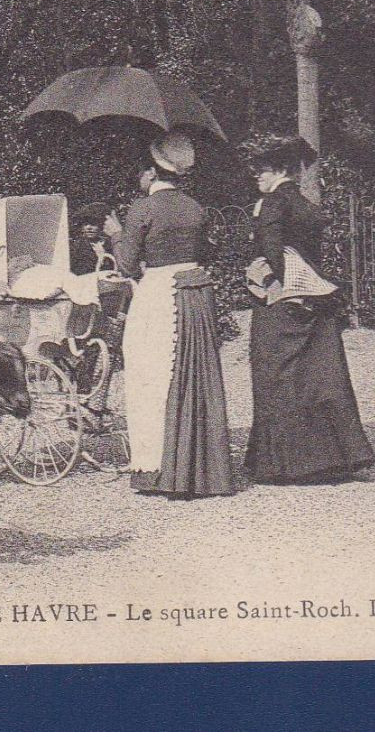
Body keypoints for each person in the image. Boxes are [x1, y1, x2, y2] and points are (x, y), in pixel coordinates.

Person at [241, 136, 375, 484]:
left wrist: (284, 285)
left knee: (275, 373)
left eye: (262, 171)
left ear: (280, 171)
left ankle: (284, 464)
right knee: (319, 375)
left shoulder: (271, 202)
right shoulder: (303, 203)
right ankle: (331, 457)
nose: (257, 177)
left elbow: (271, 246)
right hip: (316, 295)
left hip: (285, 299)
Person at [115, 131, 233, 498]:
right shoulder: (196, 209)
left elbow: (127, 265)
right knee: (194, 377)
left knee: (150, 379)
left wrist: (117, 234)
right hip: (195, 295)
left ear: (151, 173)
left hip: (159, 296)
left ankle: (157, 469)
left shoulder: (142, 210)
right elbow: (207, 253)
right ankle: (199, 467)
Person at [68, 202, 119, 276]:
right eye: (85, 224)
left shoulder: (109, 244)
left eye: (93, 224)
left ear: (100, 225)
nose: (89, 228)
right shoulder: (75, 247)